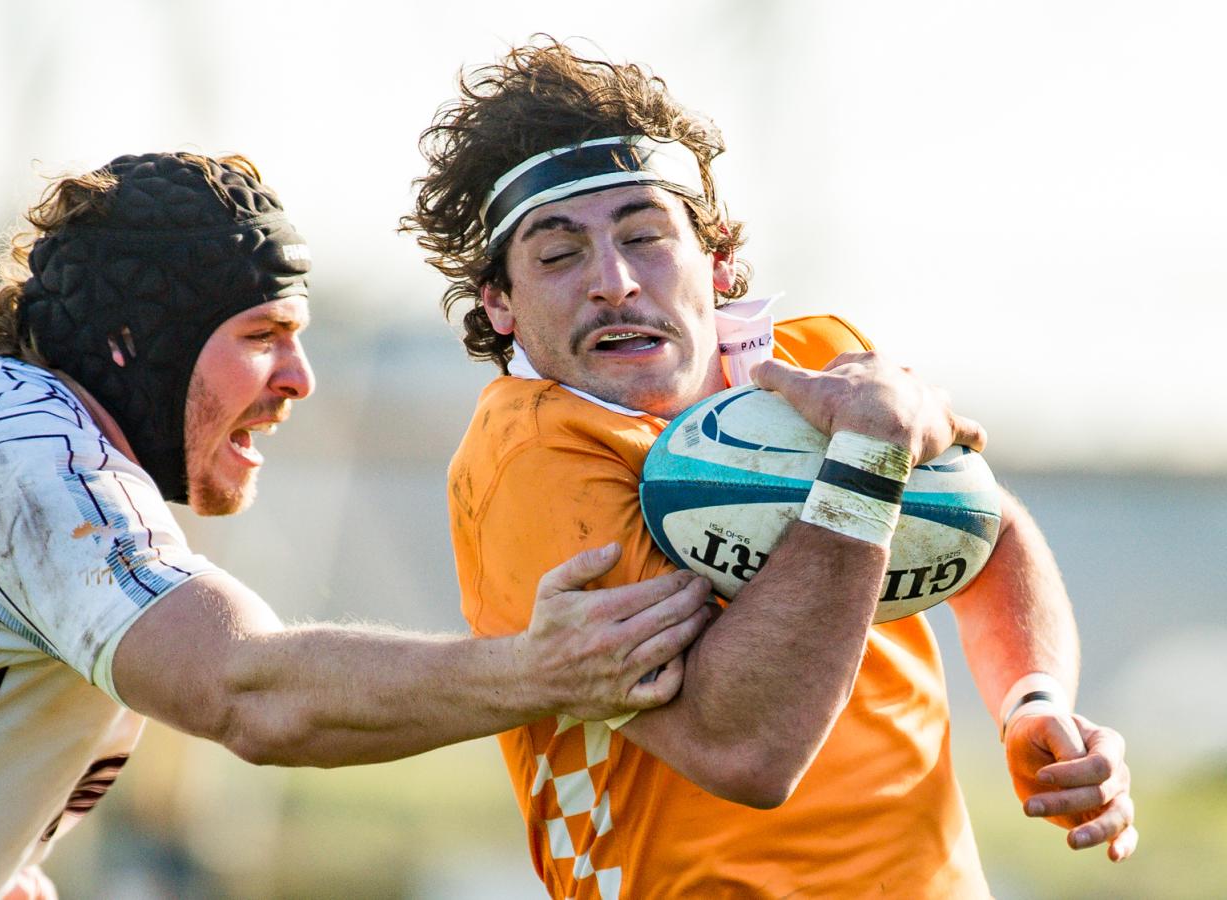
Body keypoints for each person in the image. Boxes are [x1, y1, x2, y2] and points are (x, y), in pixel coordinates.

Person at [0, 152, 715, 898]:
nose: (299, 379)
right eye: (261, 334)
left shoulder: (4, 427)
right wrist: (538, 672)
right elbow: (248, 692)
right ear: (131, 342)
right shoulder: (24, 457)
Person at [403, 40, 1138, 898]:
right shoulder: (534, 459)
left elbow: (986, 527)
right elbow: (743, 750)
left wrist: (1033, 700)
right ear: (500, 303)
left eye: (645, 238)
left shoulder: (823, 363)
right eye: (558, 254)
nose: (612, 282)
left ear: (713, 263)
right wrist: (865, 459)